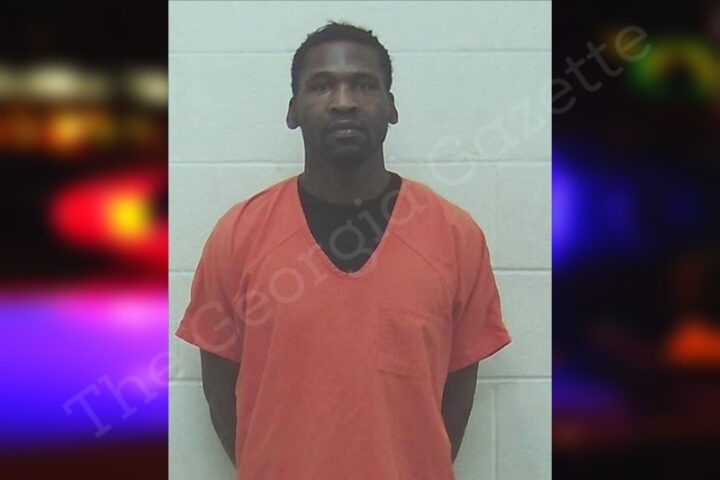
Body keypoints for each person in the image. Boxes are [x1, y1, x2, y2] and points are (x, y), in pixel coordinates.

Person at [175, 21, 511, 480]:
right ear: (293, 110)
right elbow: (220, 393)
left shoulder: (455, 235)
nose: (344, 102)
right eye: (321, 86)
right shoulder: (239, 235)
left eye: (363, 84)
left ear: (391, 107)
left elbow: (457, 393)